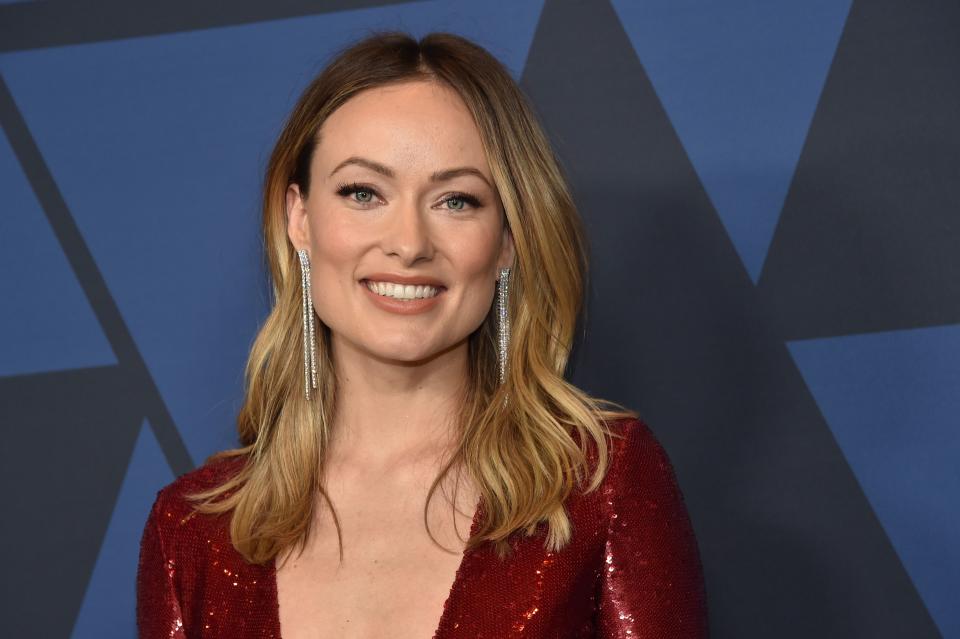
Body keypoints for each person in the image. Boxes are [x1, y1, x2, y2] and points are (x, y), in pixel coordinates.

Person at [136, 30, 708, 638]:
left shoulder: (601, 483)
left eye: (456, 201)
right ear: (299, 219)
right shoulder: (193, 532)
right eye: (363, 192)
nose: (409, 244)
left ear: (507, 242)